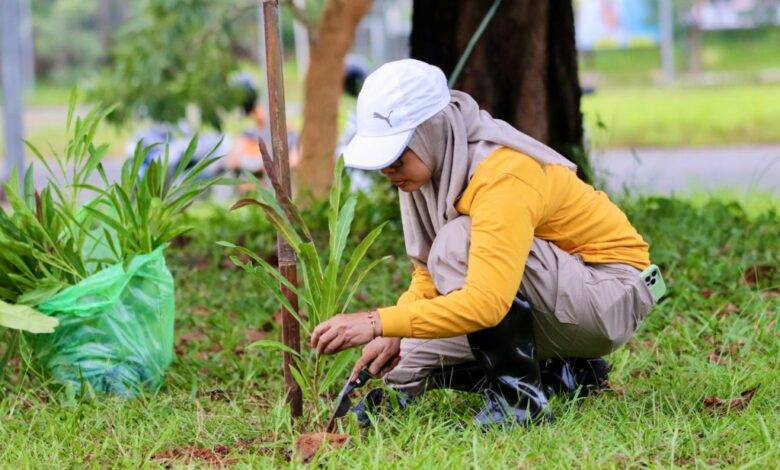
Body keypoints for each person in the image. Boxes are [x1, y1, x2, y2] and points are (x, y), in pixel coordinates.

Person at [310, 59, 659, 426]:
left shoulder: (502, 175)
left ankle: (519, 404)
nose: (387, 169)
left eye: (396, 153)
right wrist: (393, 334)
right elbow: (429, 274)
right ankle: (567, 371)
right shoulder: (432, 170)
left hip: (611, 293)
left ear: (432, 130)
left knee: (457, 242)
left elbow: (486, 304)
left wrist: (376, 321)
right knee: (408, 356)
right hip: (563, 291)